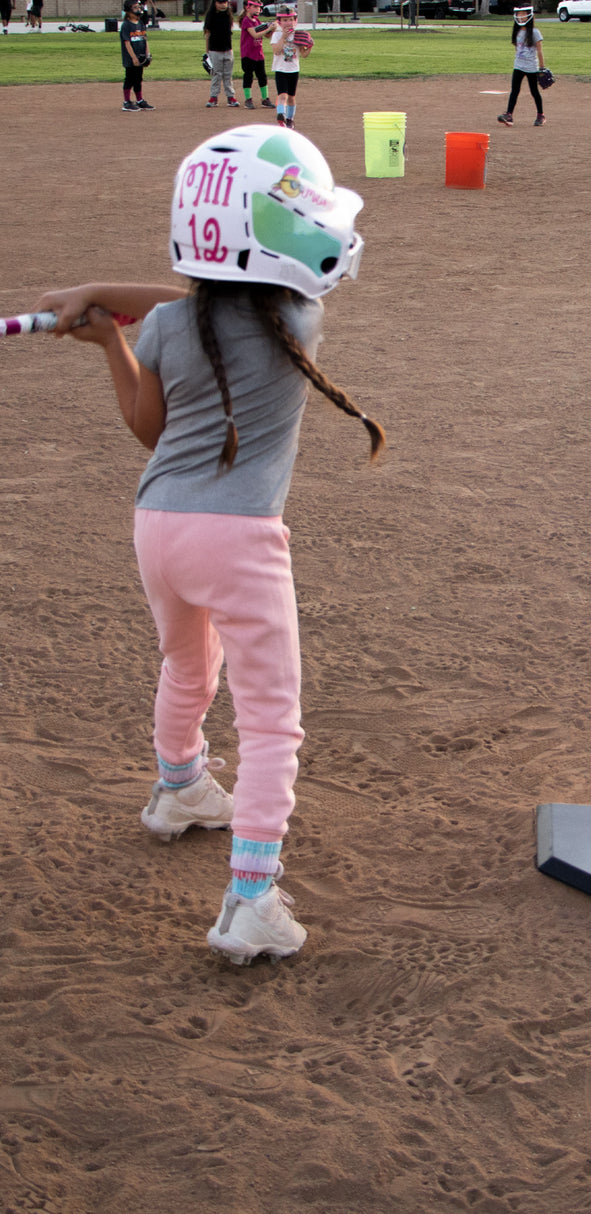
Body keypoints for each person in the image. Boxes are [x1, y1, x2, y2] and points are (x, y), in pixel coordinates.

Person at [34, 125, 383, 966]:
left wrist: (106, 325)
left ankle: (180, 787)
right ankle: (252, 897)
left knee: (188, 667)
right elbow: (207, 298)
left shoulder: (164, 328)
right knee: (270, 724)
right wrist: (105, 298)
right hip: (240, 538)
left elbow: (147, 429)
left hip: (160, 529)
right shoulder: (301, 315)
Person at [497, 7, 547, 128]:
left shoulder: (535, 32)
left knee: (534, 91)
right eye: (519, 14)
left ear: (529, 16)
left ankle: (541, 115)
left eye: (523, 14)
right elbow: (517, 48)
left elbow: (540, 51)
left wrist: (541, 67)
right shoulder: (518, 31)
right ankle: (509, 115)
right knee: (514, 91)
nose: (521, 16)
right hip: (518, 66)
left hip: (531, 67)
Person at [266, 7, 311, 130]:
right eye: (284, 20)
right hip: (281, 70)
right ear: (279, 22)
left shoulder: (298, 35)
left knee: (291, 97)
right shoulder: (277, 34)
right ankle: (281, 117)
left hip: (294, 70)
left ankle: (290, 119)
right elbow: (276, 51)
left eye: (290, 19)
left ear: (295, 21)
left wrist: (309, 46)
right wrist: (283, 37)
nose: (288, 22)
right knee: (283, 95)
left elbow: (304, 54)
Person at [203, 0, 240, 109]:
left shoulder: (228, 16)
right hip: (214, 50)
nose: (223, 5)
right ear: (215, 3)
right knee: (216, 74)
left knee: (228, 75)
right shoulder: (211, 16)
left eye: (225, 2)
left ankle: (230, 97)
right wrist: (207, 52)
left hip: (228, 49)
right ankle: (213, 97)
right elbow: (207, 34)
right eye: (220, 2)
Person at [120, 0, 155, 113]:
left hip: (141, 56)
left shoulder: (140, 23)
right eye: (135, 8)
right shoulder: (126, 25)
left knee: (138, 79)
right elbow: (127, 43)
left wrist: (147, 54)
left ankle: (139, 100)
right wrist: (133, 58)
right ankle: (127, 102)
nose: (138, 10)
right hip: (131, 58)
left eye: (138, 7)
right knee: (129, 78)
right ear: (128, 11)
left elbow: (145, 39)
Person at [239, 0, 273, 110]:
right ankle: (248, 99)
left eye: (259, 7)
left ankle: (265, 99)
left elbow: (266, 36)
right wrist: (268, 29)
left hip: (258, 54)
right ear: (248, 7)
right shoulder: (246, 21)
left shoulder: (257, 21)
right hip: (248, 54)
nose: (258, 9)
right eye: (255, 7)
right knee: (248, 76)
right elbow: (254, 34)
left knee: (262, 76)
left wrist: (271, 30)